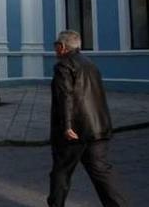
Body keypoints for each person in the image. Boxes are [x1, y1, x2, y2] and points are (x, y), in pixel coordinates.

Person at [48, 31, 128, 207]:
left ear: (61, 47)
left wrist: (67, 126)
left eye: (55, 46)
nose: (54, 50)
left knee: (61, 172)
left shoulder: (63, 66)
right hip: (98, 127)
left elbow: (65, 97)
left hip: (75, 131)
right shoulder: (90, 63)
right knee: (101, 172)